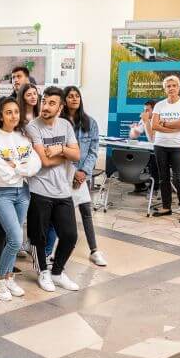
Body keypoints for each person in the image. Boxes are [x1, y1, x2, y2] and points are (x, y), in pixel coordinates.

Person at [0, 97, 39, 300]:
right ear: (0, 115)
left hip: (22, 192)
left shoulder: (23, 137)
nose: (14, 115)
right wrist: (21, 169)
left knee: (12, 239)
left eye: (16, 111)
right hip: (2, 193)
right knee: (15, 238)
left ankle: (7, 276)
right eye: (8, 112)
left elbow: (35, 164)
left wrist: (17, 167)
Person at [27, 86, 82, 293]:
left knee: (69, 235)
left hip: (63, 190)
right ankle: (42, 272)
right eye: (44, 102)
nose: (46, 106)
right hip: (39, 189)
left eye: (51, 103)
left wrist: (60, 149)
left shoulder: (66, 125)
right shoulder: (33, 126)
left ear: (60, 108)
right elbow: (44, 161)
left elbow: (77, 156)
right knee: (38, 236)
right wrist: (67, 153)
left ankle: (57, 272)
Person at [64, 86, 107, 266]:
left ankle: (94, 250)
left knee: (86, 213)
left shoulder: (91, 123)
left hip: (83, 176)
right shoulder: (60, 122)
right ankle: (56, 250)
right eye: (70, 96)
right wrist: (73, 173)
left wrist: (82, 173)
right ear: (64, 100)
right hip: (64, 175)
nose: (75, 99)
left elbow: (93, 151)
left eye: (77, 96)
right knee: (62, 215)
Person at [151, 75, 180, 222]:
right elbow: (153, 125)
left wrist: (164, 123)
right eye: (168, 86)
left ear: (178, 87)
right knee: (163, 179)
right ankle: (166, 207)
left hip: (178, 147)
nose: (171, 88)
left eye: (174, 85)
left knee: (179, 180)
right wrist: (171, 128)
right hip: (160, 146)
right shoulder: (159, 105)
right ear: (165, 89)